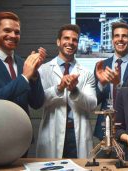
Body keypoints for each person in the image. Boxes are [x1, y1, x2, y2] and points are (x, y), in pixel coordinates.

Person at [36, 24, 97, 158]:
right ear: (58, 41)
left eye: (74, 40)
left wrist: (75, 91)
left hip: (77, 134)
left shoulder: (86, 73)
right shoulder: (44, 70)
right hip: (52, 130)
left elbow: (92, 105)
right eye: (66, 38)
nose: (70, 42)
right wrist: (59, 88)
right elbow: (39, 102)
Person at [0, 11, 46, 116]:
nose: (13, 35)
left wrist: (33, 76)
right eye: (7, 30)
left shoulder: (22, 63)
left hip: (24, 131)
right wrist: (24, 77)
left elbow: (37, 103)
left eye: (17, 32)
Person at [94, 22, 128, 142]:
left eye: (124, 36)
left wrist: (118, 85)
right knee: (104, 161)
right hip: (105, 126)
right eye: (116, 36)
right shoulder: (101, 65)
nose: (120, 39)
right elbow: (95, 100)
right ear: (112, 40)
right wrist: (101, 84)